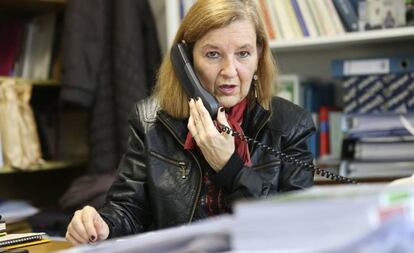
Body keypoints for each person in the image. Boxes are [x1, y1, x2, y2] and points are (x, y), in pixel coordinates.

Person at [65, 0, 316, 245]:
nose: (230, 71)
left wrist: (231, 169)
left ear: (258, 55)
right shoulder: (149, 121)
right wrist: (101, 224)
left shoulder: (291, 125)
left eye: (243, 53)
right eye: (213, 54)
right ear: (185, 58)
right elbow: (130, 209)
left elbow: (294, 228)